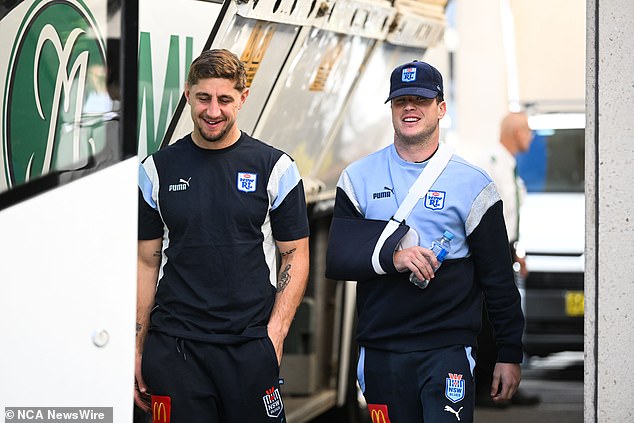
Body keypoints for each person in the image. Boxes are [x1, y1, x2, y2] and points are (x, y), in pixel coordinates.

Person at [325, 60, 525, 422]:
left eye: (420, 99)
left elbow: (497, 277)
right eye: (401, 101)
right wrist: (395, 257)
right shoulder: (357, 178)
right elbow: (339, 257)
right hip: (382, 350)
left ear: (441, 108)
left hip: (446, 349)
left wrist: (509, 353)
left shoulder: (473, 184)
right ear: (391, 110)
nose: (410, 108)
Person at [135, 49, 310, 422]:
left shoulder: (275, 167)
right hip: (176, 350)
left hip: (248, 347)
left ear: (242, 99)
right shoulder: (157, 169)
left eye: (224, 100)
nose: (213, 111)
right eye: (203, 98)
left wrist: (274, 337)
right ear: (188, 95)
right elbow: (146, 261)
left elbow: (295, 253)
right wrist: (137, 346)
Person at [474, 111, 539, 407]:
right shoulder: (492, 164)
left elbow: (511, 217)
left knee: (505, 320)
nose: (531, 136)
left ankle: (506, 386)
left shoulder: (509, 166)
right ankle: (487, 388)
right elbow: (488, 217)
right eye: (528, 130)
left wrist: (516, 253)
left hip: (506, 248)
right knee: (490, 323)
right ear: (515, 132)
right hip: (492, 250)